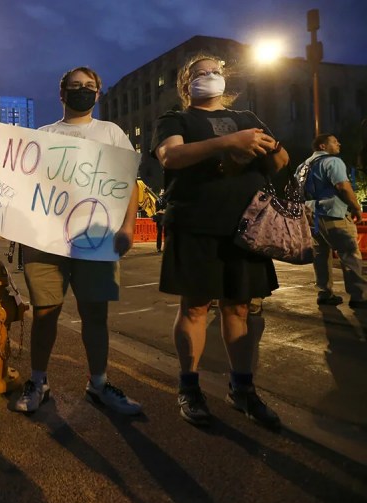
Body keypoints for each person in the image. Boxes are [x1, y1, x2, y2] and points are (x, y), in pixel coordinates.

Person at [0, 66, 142, 415]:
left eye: (89, 86)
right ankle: (39, 381)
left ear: (98, 93)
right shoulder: (43, 135)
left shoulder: (111, 132)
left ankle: (98, 383)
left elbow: (128, 183)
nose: (82, 90)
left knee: (95, 315)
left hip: (96, 238)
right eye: (75, 86)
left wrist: (128, 227)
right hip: (45, 242)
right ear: (62, 94)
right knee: (45, 313)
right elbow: (19, 181)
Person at [152, 54, 288, 429]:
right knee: (195, 307)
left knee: (240, 308)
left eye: (216, 71)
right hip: (195, 224)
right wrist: (230, 142)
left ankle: (242, 388)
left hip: (246, 228)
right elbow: (171, 156)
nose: (211, 76)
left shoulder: (248, 117)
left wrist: (266, 148)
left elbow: (281, 159)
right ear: (186, 84)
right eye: (201, 73)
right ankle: (189, 387)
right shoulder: (176, 120)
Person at [297, 133, 367, 308]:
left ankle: (324, 293)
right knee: (349, 253)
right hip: (333, 213)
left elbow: (297, 191)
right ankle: (359, 296)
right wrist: (356, 207)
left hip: (311, 215)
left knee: (320, 255)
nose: (339, 144)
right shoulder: (333, 162)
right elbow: (343, 186)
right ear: (322, 146)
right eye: (335, 142)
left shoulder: (303, 166)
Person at [153, 189, 166, 253]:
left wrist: (162, 211)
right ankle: (160, 248)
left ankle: (159, 248)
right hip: (162, 218)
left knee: (161, 233)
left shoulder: (158, 200)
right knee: (161, 233)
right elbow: (158, 210)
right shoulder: (158, 201)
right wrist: (164, 211)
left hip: (162, 218)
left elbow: (158, 210)